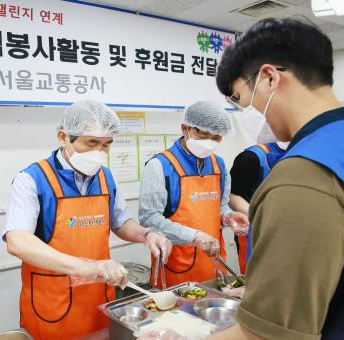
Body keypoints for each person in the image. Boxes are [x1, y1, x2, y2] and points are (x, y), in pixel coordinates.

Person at [209, 17, 344, 339]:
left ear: (269, 77)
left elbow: (266, 335)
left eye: (241, 100)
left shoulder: (303, 174)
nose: (247, 114)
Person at [3, 100, 172, 340]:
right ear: (63, 137)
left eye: (106, 145)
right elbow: (17, 241)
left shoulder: (105, 176)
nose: (99, 152)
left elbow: (122, 223)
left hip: (98, 298)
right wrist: (83, 267)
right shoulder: (31, 179)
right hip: (52, 303)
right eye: (91, 143)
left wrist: (147, 234)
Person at [139, 101, 249, 287]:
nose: (208, 142)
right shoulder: (160, 166)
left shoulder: (219, 165)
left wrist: (228, 217)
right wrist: (195, 236)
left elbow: (219, 206)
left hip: (214, 262)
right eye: (202, 134)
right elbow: (149, 218)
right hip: (177, 265)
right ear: (185, 128)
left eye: (216, 137)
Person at [229, 141, 287, 274]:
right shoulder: (251, 158)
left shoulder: (301, 155)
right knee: (255, 278)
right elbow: (232, 195)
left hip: (285, 232)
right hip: (254, 231)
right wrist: (262, 216)